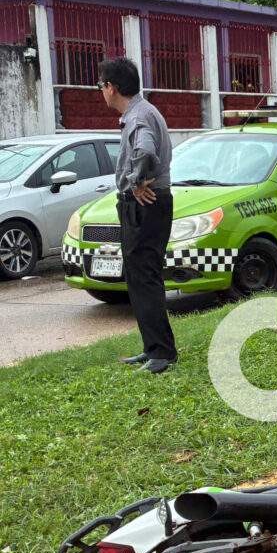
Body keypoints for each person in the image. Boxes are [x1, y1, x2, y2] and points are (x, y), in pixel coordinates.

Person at [98, 57, 178, 375]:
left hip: (145, 204)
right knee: (138, 276)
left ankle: (162, 353)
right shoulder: (140, 112)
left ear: (112, 87)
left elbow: (145, 152)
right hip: (145, 205)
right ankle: (152, 347)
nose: (101, 92)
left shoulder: (138, 117)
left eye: (101, 85)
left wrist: (137, 181)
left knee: (144, 276)